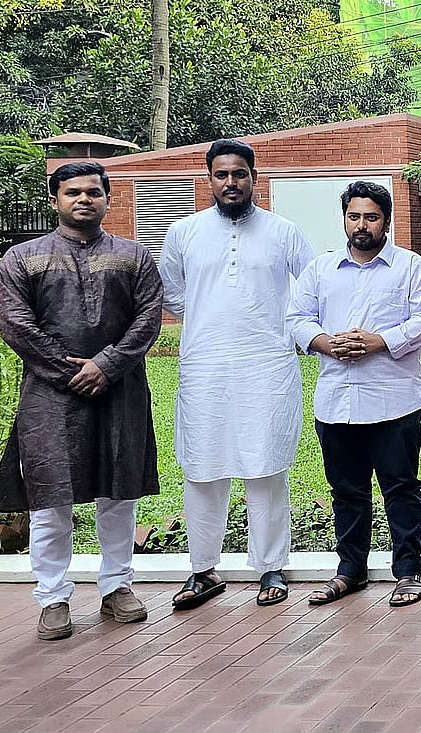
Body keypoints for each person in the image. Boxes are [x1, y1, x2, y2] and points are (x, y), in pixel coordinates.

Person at [0, 161, 163, 640]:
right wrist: (72, 369)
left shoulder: (133, 256)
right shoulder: (23, 258)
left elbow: (148, 319)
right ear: (54, 200)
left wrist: (106, 365)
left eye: (93, 192)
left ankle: (117, 587)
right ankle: (52, 596)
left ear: (108, 199)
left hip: (119, 388)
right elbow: (16, 324)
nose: (83, 199)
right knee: (50, 497)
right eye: (73, 192)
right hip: (50, 395)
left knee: (118, 492)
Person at [159, 139, 315, 610]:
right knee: (202, 468)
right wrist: (215, 322)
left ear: (253, 177)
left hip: (266, 366)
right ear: (208, 179)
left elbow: (311, 288)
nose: (231, 182)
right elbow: (171, 294)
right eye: (222, 174)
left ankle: (271, 567)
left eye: (240, 174)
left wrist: (268, 327)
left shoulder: (284, 231)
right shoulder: (183, 233)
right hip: (204, 367)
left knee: (265, 467)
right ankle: (203, 570)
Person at [286, 181, 421, 608]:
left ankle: (409, 571)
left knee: (401, 487)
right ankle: (350, 571)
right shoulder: (320, 269)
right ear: (344, 219)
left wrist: (381, 341)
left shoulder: (410, 267)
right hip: (335, 401)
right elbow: (297, 317)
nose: (361, 225)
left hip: (393, 400)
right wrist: (324, 343)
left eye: (371, 217)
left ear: (386, 221)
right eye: (354, 216)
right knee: (346, 491)